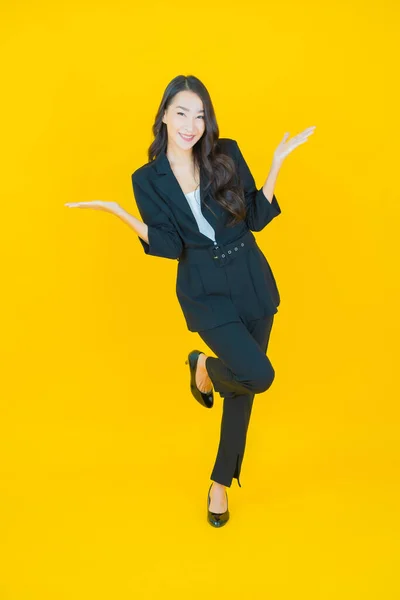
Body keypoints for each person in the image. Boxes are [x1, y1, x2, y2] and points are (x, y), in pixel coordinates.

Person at [65, 74, 315, 527]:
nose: (191, 124)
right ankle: (203, 365)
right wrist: (123, 216)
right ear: (163, 115)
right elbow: (167, 246)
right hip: (205, 292)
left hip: (252, 280)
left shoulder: (228, 153)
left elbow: (255, 218)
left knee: (243, 390)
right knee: (257, 374)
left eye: (200, 115)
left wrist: (276, 164)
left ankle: (218, 484)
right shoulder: (148, 179)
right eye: (181, 112)